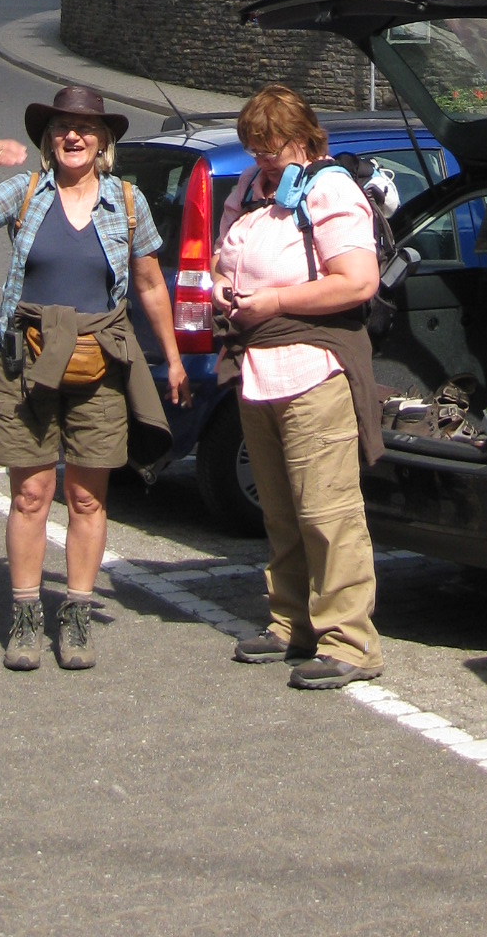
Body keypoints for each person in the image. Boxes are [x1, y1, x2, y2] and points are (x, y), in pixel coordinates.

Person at [0, 85, 187, 673]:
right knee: (30, 495)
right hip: (26, 362)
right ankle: (26, 615)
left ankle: (76, 614)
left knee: (86, 496)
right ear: (48, 139)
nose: (72, 136)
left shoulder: (127, 201)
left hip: (100, 364)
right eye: (61, 128)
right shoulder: (26, 192)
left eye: (84, 128)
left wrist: (173, 357)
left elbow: (150, 283)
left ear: (102, 142)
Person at [213, 84, 385, 688]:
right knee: (281, 509)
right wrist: (223, 289)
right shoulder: (249, 188)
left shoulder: (330, 189)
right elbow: (224, 259)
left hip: (314, 370)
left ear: (304, 139)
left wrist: (276, 301)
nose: (262, 158)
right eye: (254, 147)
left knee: (327, 511)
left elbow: (357, 281)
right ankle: (291, 622)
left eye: (271, 146)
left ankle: (350, 643)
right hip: (258, 369)